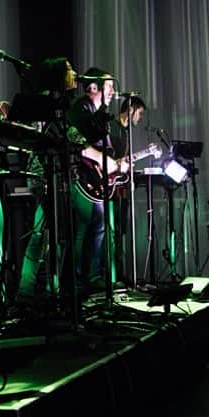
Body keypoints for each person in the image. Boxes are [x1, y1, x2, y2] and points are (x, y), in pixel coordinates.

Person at [14, 56, 79, 314]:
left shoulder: (67, 104)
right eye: (69, 70)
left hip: (61, 174)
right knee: (42, 234)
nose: (74, 73)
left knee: (57, 235)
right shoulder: (43, 101)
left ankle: (51, 291)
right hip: (43, 174)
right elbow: (38, 136)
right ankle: (26, 292)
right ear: (58, 76)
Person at [67, 67, 124, 293]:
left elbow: (105, 148)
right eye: (109, 87)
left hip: (95, 182)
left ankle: (92, 276)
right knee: (84, 228)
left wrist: (115, 164)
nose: (112, 92)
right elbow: (76, 141)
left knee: (99, 226)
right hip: (79, 179)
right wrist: (103, 160)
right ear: (93, 87)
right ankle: (79, 279)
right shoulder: (81, 109)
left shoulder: (101, 114)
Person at [109, 95, 147, 282]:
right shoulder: (112, 127)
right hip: (109, 189)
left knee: (120, 231)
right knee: (111, 231)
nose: (140, 119)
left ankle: (120, 274)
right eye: (139, 113)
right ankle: (111, 275)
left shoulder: (125, 132)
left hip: (120, 187)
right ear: (131, 110)